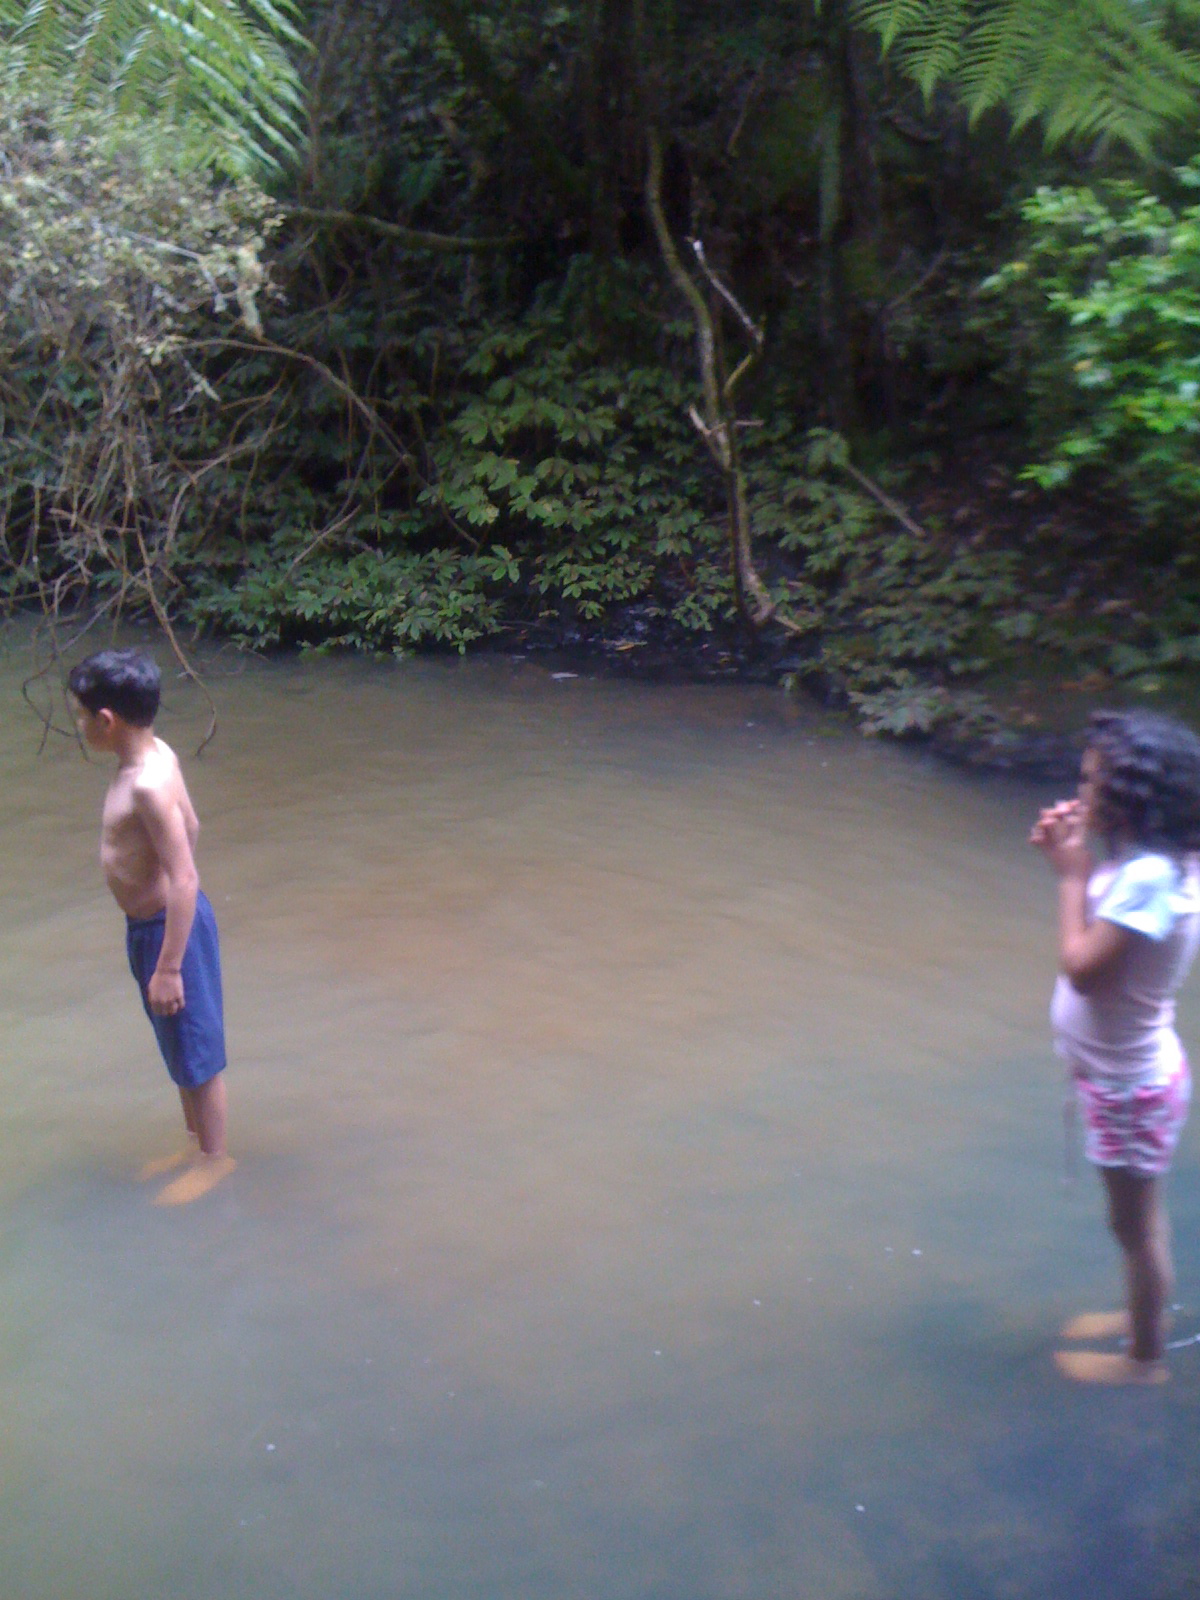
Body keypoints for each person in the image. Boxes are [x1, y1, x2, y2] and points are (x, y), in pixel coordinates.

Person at [1031, 709, 1200, 1383]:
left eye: (1091, 780)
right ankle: (1143, 1317)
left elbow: (1083, 969)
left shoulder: (1150, 877)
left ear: (1130, 798)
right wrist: (1080, 857)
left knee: (1135, 1230)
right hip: (1130, 1079)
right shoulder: (1158, 862)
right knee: (1137, 1226)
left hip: (1130, 1090)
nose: (1080, 791)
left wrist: (1071, 876)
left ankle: (1144, 1360)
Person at [68, 649, 234, 1206]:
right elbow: (193, 825)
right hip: (154, 929)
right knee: (179, 1045)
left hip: (169, 934)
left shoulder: (145, 784)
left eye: (81, 715)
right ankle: (194, 1148)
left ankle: (216, 1160)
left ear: (106, 720)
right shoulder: (159, 754)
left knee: (198, 1054)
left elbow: (184, 876)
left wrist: (169, 965)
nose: (79, 725)